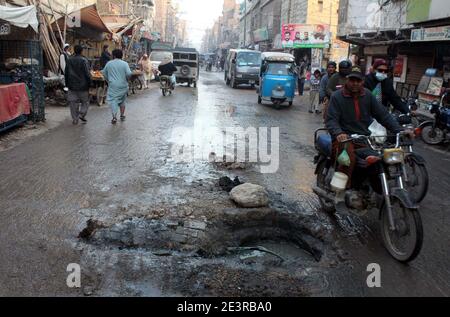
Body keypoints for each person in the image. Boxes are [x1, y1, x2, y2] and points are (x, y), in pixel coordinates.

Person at [326, 66, 404, 189]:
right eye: (352, 80)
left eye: (358, 80)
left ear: (362, 81)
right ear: (347, 80)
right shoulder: (337, 96)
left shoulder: (367, 95)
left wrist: (399, 130)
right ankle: (341, 191)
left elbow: (383, 115)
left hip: (363, 138)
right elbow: (331, 120)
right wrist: (339, 133)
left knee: (378, 159)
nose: (355, 83)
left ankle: (374, 189)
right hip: (343, 139)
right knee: (348, 160)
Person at [102, 49, 132, 124]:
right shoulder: (125, 64)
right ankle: (122, 115)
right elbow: (129, 74)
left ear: (114, 55)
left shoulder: (109, 63)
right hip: (123, 85)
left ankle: (114, 117)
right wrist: (126, 80)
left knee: (113, 100)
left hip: (113, 85)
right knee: (122, 100)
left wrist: (108, 80)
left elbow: (104, 73)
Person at [65, 45, 92, 125]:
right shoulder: (84, 60)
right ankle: (81, 114)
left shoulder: (69, 60)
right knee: (85, 102)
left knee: (73, 103)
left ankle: (75, 119)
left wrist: (67, 84)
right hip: (83, 86)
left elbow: (66, 73)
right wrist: (90, 84)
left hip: (72, 85)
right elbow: (87, 74)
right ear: (81, 51)